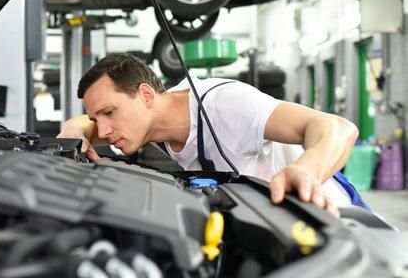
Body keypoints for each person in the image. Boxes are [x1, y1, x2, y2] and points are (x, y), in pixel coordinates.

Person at [58, 53, 368, 215]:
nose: (104, 129)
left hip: (339, 226)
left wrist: (306, 172)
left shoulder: (224, 104)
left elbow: (339, 128)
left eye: (109, 113)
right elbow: (87, 126)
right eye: (96, 117)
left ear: (146, 95)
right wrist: (74, 129)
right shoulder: (145, 123)